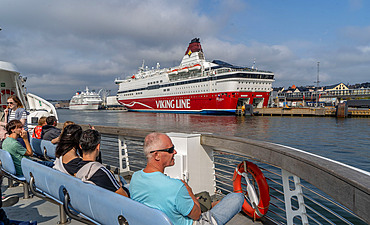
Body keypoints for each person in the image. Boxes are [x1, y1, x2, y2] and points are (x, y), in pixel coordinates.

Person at [129, 132, 244, 225]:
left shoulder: (135, 178)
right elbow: (197, 214)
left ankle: (214, 203)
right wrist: (187, 189)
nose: (175, 152)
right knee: (237, 197)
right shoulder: (176, 187)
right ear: (156, 155)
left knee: (204, 198)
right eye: (170, 150)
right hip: (195, 222)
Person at [74, 129, 129, 197]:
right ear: (98, 146)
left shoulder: (76, 167)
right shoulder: (102, 173)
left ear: (80, 146)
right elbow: (124, 196)